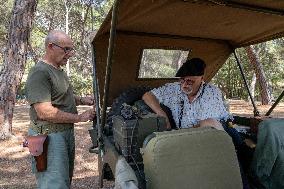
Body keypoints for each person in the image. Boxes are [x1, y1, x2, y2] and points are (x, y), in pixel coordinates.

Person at [25, 30, 95, 189]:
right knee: (54, 184)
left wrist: (82, 99)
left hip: (64, 134)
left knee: (63, 181)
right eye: (66, 49)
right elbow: (44, 111)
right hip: (50, 137)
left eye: (71, 49)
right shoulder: (39, 72)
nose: (70, 54)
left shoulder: (59, 71)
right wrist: (80, 118)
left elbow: (62, 96)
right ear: (51, 46)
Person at [142, 57, 231, 131]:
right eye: (182, 80)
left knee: (210, 123)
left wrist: (177, 135)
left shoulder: (212, 93)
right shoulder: (174, 88)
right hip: (183, 138)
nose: (184, 85)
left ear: (201, 78)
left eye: (190, 81)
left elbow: (208, 125)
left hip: (209, 136)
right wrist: (161, 114)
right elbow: (148, 96)